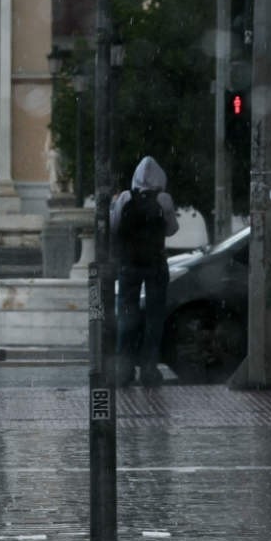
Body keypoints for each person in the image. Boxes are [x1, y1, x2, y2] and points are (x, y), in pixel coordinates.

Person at [110, 156, 179, 387]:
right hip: (155, 264)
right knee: (154, 318)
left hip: (129, 264)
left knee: (126, 317)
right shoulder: (163, 199)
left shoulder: (125, 198)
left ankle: (124, 369)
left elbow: (114, 226)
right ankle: (149, 369)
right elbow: (171, 230)